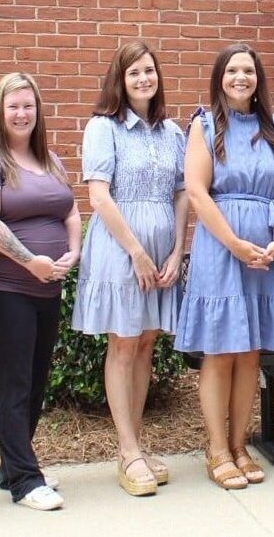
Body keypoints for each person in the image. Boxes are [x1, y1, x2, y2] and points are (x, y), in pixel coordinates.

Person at [175, 44, 274, 489]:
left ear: (258, 78)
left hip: (266, 251)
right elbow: (197, 192)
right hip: (221, 248)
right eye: (232, 70)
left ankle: (240, 443)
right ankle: (215, 449)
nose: (241, 77)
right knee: (220, 351)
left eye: (248, 70)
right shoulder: (205, 126)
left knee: (250, 354)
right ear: (220, 77)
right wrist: (234, 243)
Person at [71, 41, 188, 496]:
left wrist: (178, 249)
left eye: (149, 71)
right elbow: (98, 196)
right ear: (119, 80)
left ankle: (135, 445)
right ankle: (127, 450)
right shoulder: (104, 128)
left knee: (145, 344)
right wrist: (137, 253)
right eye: (134, 72)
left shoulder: (172, 132)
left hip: (162, 248)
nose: (143, 79)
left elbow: (181, 193)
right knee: (123, 343)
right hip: (122, 249)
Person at [0, 73, 81, 510]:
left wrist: (73, 251)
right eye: (13, 106)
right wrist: (29, 261)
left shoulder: (49, 159)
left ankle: (12, 467)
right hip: (4, 287)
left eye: (28, 105)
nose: (21, 113)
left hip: (46, 288)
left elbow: (70, 210)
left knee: (35, 382)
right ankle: (26, 481)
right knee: (14, 382)